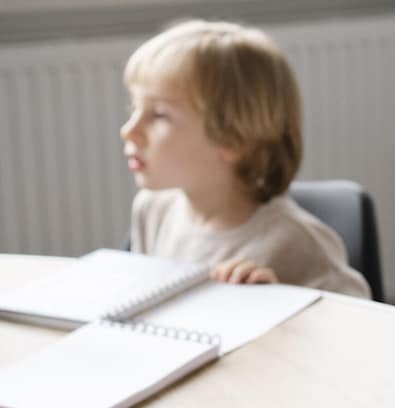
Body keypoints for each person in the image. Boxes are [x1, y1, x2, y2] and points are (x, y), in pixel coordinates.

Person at [121, 19, 371, 298]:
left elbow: (363, 327)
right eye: (133, 107)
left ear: (233, 139)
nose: (129, 131)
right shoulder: (152, 209)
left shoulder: (297, 243)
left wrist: (280, 305)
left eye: (159, 115)